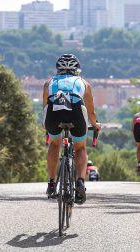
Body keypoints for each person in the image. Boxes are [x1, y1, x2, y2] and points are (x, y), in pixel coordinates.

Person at [43, 54, 101, 204]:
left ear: (58, 70)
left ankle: (51, 182)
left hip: (53, 113)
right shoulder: (84, 83)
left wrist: (46, 126)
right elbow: (91, 112)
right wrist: (95, 125)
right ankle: (80, 181)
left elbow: (45, 107)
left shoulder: (48, 83)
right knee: (80, 148)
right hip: (76, 112)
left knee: (55, 144)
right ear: (77, 70)